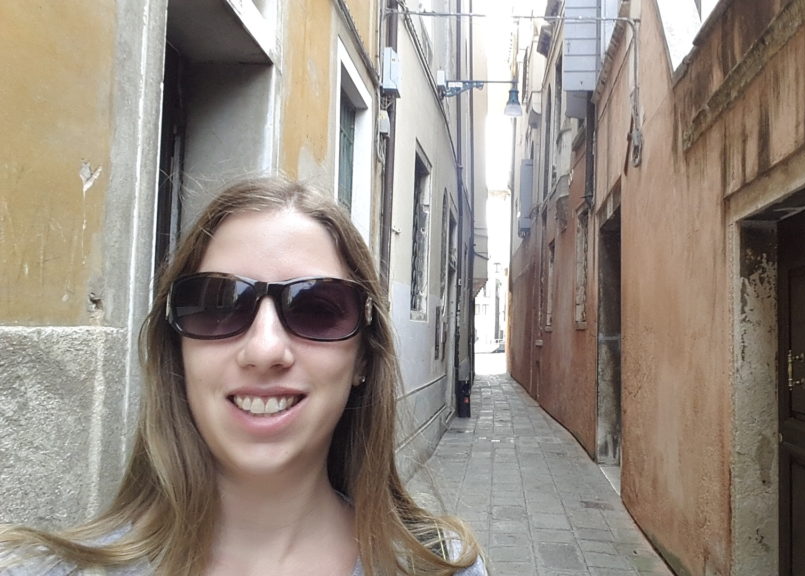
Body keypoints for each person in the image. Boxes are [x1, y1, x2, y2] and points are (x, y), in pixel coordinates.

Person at [0, 178, 486, 576]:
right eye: (218, 304)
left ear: (362, 358)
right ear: (178, 351)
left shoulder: (445, 569)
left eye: (318, 309)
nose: (265, 350)